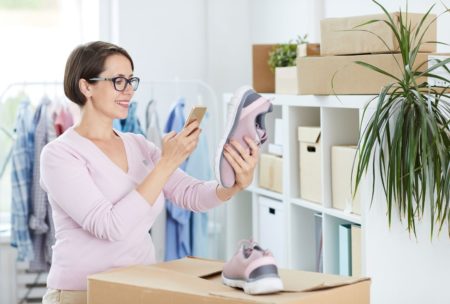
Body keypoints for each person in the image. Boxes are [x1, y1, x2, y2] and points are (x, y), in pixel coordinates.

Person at [40, 41, 259, 304]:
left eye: (132, 80)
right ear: (86, 86)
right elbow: (110, 226)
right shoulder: (59, 155)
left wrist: (233, 185)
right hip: (81, 294)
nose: (129, 90)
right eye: (119, 81)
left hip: (140, 288)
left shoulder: (139, 145)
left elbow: (192, 195)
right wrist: (167, 163)